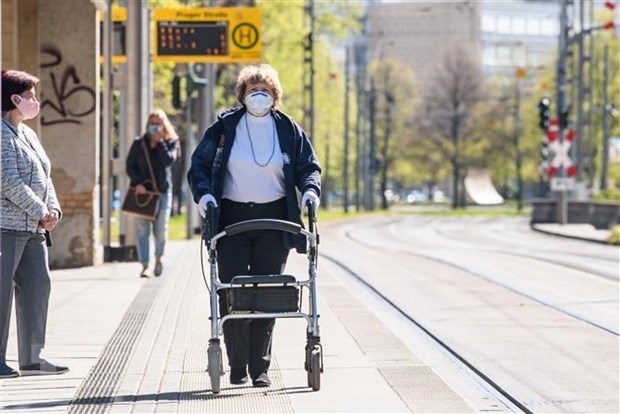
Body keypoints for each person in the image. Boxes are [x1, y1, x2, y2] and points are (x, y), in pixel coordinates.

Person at [188, 64, 321, 388]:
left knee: (268, 293)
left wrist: (309, 191)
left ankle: (260, 367)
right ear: (243, 96)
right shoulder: (224, 128)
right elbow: (199, 166)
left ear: (275, 96)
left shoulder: (288, 129)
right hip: (232, 218)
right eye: (252, 90)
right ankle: (236, 364)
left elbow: (308, 166)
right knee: (233, 291)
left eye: (265, 90)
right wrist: (204, 195)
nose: (258, 95)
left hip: (275, 219)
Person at [0, 69, 69, 378]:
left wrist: (52, 209)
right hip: (6, 226)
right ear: (13, 98)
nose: (35, 101)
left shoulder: (28, 133)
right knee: (1, 293)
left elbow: (45, 175)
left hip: (33, 229)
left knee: (38, 286)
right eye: (29, 95)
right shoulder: (1, 134)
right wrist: (41, 209)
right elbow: (8, 181)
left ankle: (32, 357)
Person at [126, 109, 179, 278]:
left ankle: (159, 257)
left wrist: (160, 142)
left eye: (158, 124)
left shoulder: (171, 142)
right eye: (152, 124)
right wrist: (137, 183)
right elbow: (130, 166)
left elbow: (168, 161)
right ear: (147, 125)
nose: (155, 127)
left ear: (164, 126)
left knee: (161, 228)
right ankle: (145, 265)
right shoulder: (139, 143)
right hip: (143, 193)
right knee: (142, 230)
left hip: (162, 193)